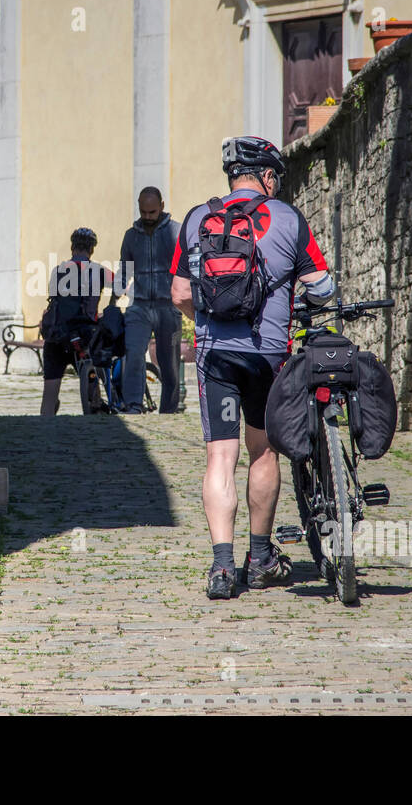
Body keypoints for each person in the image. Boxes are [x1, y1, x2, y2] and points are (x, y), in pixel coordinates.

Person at [169, 136, 336, 600]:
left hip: (215, 355)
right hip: (268, 355)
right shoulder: (287, 218)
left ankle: (222, 570)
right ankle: (260, 559)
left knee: (220, 457)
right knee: (263, 452)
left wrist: (206, 322)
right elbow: (320, 286)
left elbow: (180, 294)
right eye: (275, 179)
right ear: (266, 177)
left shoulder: (197, 219)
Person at [117, 187, 181, 414]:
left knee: (170, 365)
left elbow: (186, 270)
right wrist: (113, 300)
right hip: (139, 307)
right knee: (133, 354)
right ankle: (133, 405)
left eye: (152, 212)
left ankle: (169, 410)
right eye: (143, 212)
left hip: (169, 307)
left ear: (162, 206)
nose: (147, 217)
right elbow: (124, 271)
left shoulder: (176, 232)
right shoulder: (131, 236)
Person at [39, 227, 115, 416]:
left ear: (72, 247)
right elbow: (124, 285)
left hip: (57, 336)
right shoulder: (98, 271)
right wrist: (112, 305)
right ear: (92, 250)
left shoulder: (58, 271)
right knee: (96, 371)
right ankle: (97, 401)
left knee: (49, 396)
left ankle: (43, 432)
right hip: (85, 335)